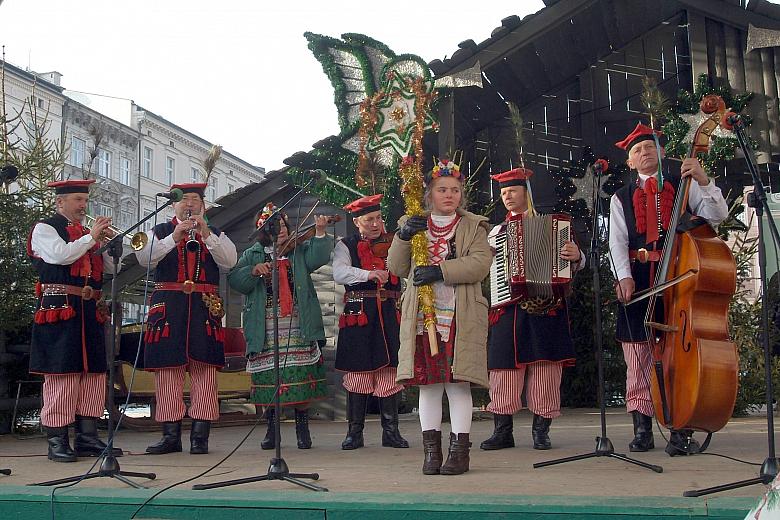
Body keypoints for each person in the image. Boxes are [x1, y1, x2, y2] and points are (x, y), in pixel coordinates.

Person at [609, 123, 729, 455]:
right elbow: (616, 241)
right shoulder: (620, 197)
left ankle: (680, 427)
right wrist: (623, 277)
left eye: (650, 147)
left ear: (661, 153)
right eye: (637, 151)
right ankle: (642, 428)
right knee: (637, 355)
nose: (644, 153)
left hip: (679, 275)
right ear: (630, 161)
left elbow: (717, 215)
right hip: (639, 277)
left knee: (677, 357)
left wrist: (703, 179)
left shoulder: (684, 184)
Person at [387, 159, 492, 476]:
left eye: (455, 190)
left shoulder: (473, 226)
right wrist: (403, 236)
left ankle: (460, 453)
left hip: (459, 313)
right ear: (429, 194)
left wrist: (440, 270)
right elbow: (397, 267)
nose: (449, 195)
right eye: (442, 190)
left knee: (457, 385)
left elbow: (480, 264)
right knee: (428, 385)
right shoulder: (413, 223)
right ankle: (431, 452)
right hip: (422, 314)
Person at [480, 168, 582, 451]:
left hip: (546, 305)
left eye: (512, 191)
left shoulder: (555, 225)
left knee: (546, 366)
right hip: (508, 307)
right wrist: (489, 261)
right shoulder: (496, 233)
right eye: (503, 193)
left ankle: (541, 431)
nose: (507, 197)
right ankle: (503, 431)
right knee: (503, 368)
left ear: (527, 193)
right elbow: (483, 267)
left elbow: (575, 260)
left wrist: (577, 256)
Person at [135, 183, 237, 455]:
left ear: (204, 206)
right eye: (184, 200)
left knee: (205, 371)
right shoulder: (159, 231)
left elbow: (229, 261)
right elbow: (145, 259)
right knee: (168, 372)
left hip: (204, 309)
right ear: (174, 205)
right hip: (169, 309)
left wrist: (206, 234)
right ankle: (171, 436)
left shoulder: (216, 233)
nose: (189, 204)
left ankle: (200, 438)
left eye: (195, 199)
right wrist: (174, 237)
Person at [28, 179, 122, 462]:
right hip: (60, 306)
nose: (84, 206)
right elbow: (60, 255)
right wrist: (92, 237)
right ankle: (57, 439)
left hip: (89, 308)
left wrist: (111, 246)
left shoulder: (86, 235)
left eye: (85, 200)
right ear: (60, 202)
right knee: (63, 373)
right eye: (78, 200)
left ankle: (87, 436)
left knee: (94, 373)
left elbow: (109, 268)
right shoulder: (45, 228)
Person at [228, 203, 332, 449]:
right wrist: (253, 271)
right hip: (264, 325)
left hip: (297, 322)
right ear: (265, 230)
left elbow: (318, 258)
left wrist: (319, 232)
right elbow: (235, 279)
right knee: (269, 378)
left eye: (284, 225)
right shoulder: (253, 253)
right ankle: (272, 430)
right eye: (276, 226)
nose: (282, 229)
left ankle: (302, 428)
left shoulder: (299, 249)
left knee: (300, 375)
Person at [333, 193, 408, 450]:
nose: (376, 224)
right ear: (357, 222)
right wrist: (368, 274)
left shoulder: (394, 241)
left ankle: (391, 432)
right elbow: (339, 272)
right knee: (359, 372)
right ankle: (355, 432)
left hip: (389, 311)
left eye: (378, 218)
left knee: (390, 371)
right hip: (360, 313)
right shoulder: (346, 245)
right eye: (369, 220)